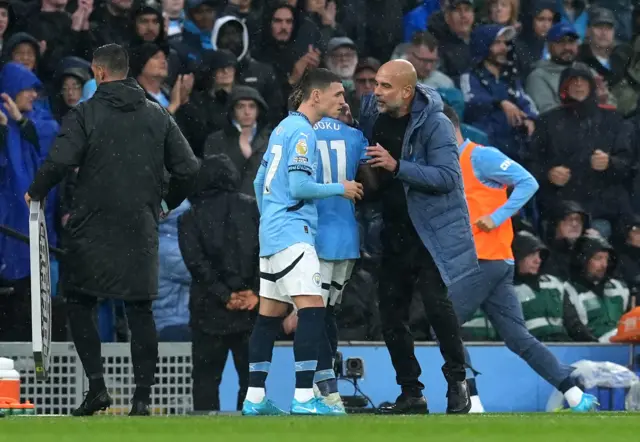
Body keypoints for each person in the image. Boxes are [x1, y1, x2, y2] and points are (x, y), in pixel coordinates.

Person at [25, 44, 200, 417]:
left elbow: (60, 160)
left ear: (98, 73)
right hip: (140, 227)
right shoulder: (157, 115)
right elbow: (188, 169)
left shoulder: (85, 112)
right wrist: (164, 204)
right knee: (140, 312)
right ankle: (142, 399)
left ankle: (97, 388)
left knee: (80, 302)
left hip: (92, 227)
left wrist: (36, 191)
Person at [442, 104, 599, 413]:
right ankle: (574, 394)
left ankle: (470, 400)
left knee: (443, 324)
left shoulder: (479, 156)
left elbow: (528, 181)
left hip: (484, 260)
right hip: (492, 261)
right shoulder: (448, 163)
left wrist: (497, 216)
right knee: (517, 338)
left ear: (448, 128)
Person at [241, 68, 363, 416]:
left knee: (269, 317)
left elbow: (259, 181)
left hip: (273, 235)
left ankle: (254, 398)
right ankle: (304, 397)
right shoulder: (303, 132)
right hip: (294, 235)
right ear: (315, 96)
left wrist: (271, 219)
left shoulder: (282, 127)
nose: (342, 101)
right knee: (312, 311)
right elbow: (298, 187)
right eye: (337, 94)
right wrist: (342, 187)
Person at [358, 60, 476, 415]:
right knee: (390, 315)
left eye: (385, 86)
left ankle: (458, 383)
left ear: (407, 92)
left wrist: (397, 166)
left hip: (430, 232)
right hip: (392, 230)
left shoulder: (435, 123)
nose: (376, 92)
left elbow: (446, 178)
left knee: (437, 307)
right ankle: (411, 393)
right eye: (376, 84)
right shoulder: (371, 114)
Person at [178, 154, 260, 412]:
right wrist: (255, 293)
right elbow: (268, 253)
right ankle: (249, 433)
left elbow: (196, 264)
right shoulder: (254, 209)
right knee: (252, 381)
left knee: (205, 379)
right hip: (250, 311)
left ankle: (204, 433)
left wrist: (224, 295)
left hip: (208, 311)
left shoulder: (190, 217)